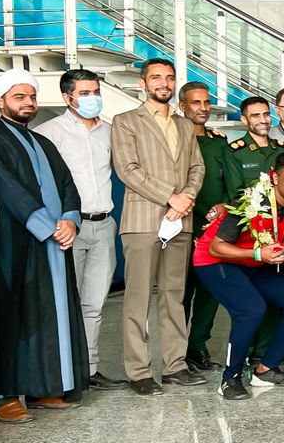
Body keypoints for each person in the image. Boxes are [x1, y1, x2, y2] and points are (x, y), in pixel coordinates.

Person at [0, 69, 90, 423]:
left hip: (53, 243)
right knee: (11, 317)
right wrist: (49, 227)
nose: (28, 103)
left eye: (32, 97)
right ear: (0, 101)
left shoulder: (42, 141)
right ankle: (5, 397)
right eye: (19, 97)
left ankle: (43, 388)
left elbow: (67, 183)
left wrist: (70, 219)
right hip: (11, 247)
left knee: (46, 317)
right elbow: (7, 188)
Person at [111, 57, 206, 395]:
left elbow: (197, 167)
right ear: (143, 83)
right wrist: (171, 197)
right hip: (142, 220)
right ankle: (138, 371)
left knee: (173, 296)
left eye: (169, 77)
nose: (163, 83)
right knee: (138, 298)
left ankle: (174, 365)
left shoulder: (184, 125)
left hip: (180, 221)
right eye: (156, 78)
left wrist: (187, 197)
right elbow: (128, 169)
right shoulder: (125, 121)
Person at [192, 152, 284, 399]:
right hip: (216, 260)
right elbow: (216, 247)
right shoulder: (251, 201)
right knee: (251, 309)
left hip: (255, 262)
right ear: (275, 178)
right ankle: (230, 378)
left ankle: (265, 369)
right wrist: (259, 253)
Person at [34, 69, 125, 390]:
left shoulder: (110, 132)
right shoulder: (48, 133)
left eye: (96, 92)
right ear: (67, 97)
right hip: (68, 228)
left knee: (94, 304)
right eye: (84, 93)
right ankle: (62, 372)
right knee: (63, 302)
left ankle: (89, 369)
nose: (92, 98)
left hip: (104, 225)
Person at [177, 81, 230, 374]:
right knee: (180, 292)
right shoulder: (174, 139)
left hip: (215, 229)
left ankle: (197, 347)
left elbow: (231, 183)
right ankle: (175, 352)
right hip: (182, 224)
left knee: (210, 291)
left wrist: (224, 206)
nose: (203, 108)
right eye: (196, 102)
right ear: (182, 106)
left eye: (207, 102)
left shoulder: (219, 142)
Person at [223, 97, 284, 202]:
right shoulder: (235, 152)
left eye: (266, 114)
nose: (263, 120)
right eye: (256, 116)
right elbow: (237, 195)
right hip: (252, 211)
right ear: (244, 120)